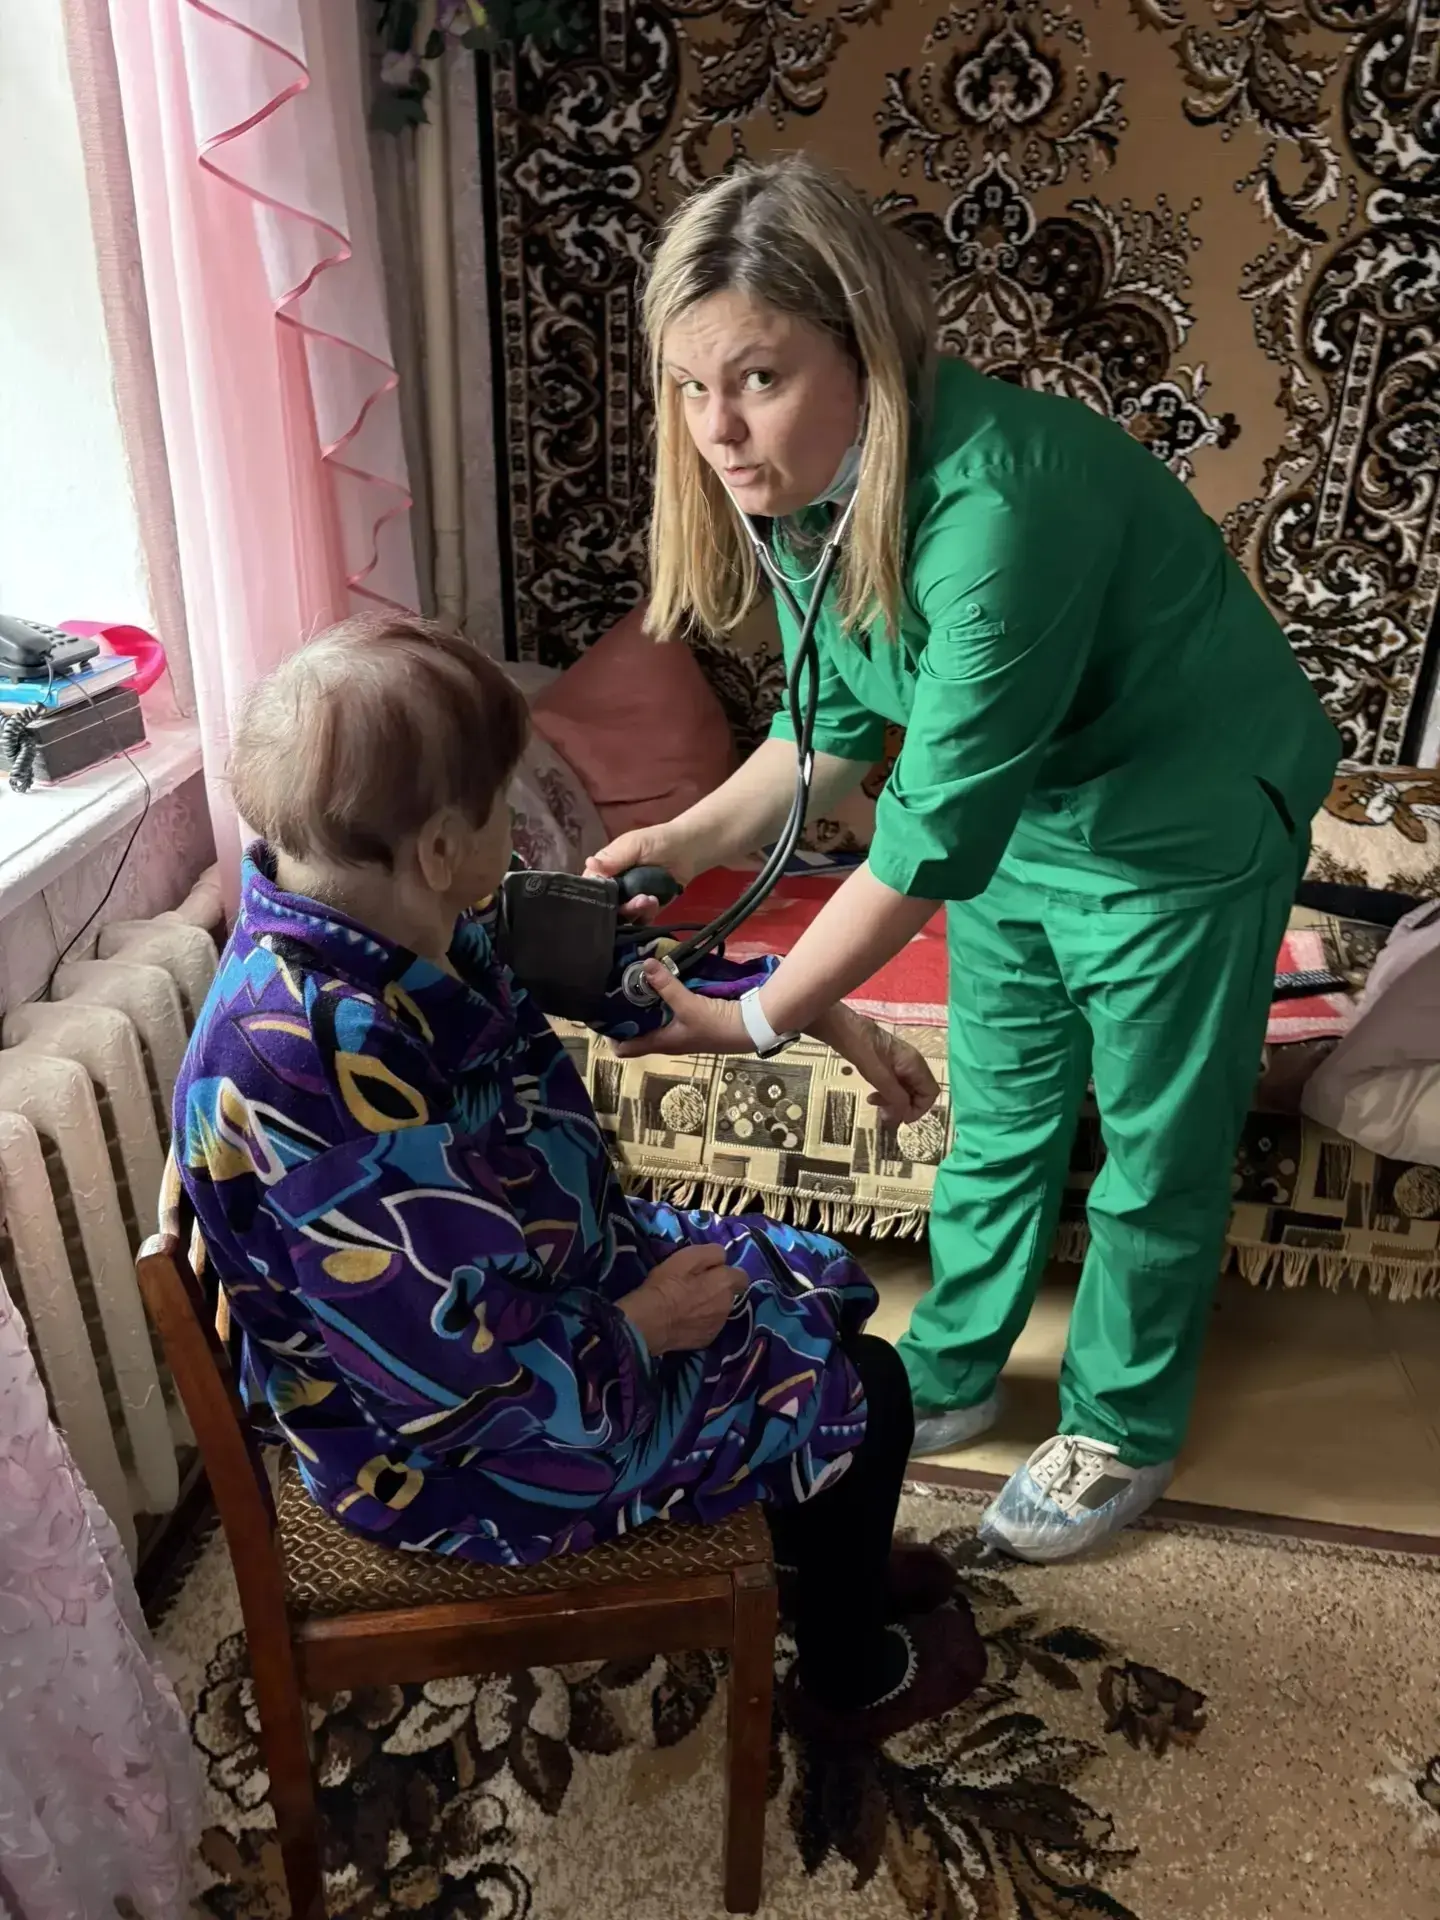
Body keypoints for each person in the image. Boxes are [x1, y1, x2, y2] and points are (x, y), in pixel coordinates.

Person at [588, 155, 1342, 1564]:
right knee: (999, 1118)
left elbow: (923, 840)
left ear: (864, 350)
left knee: (1154, 1147)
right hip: (1024, 814)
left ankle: (1120, 1424)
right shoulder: (810, 492)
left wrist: (756, 1020)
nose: (719, 431)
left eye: (757, 378)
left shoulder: (1003, 509)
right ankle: (952, 1364)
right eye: (690, 388)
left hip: (1176, 820)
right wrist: (679, 842)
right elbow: (834, 727)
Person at [170, 615, 986, 1742]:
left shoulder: (386, 922)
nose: (520, 832)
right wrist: (644, 1324)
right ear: (441, 848)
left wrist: (825, 1018)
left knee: (817, 1283)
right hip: (455, 1455)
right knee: (865, 1386)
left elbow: (616, 971)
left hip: (549, 1288)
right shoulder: (316, 1068)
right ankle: (851, 1673)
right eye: (503, 808)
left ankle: (822, 1542)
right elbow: (455, 1392)